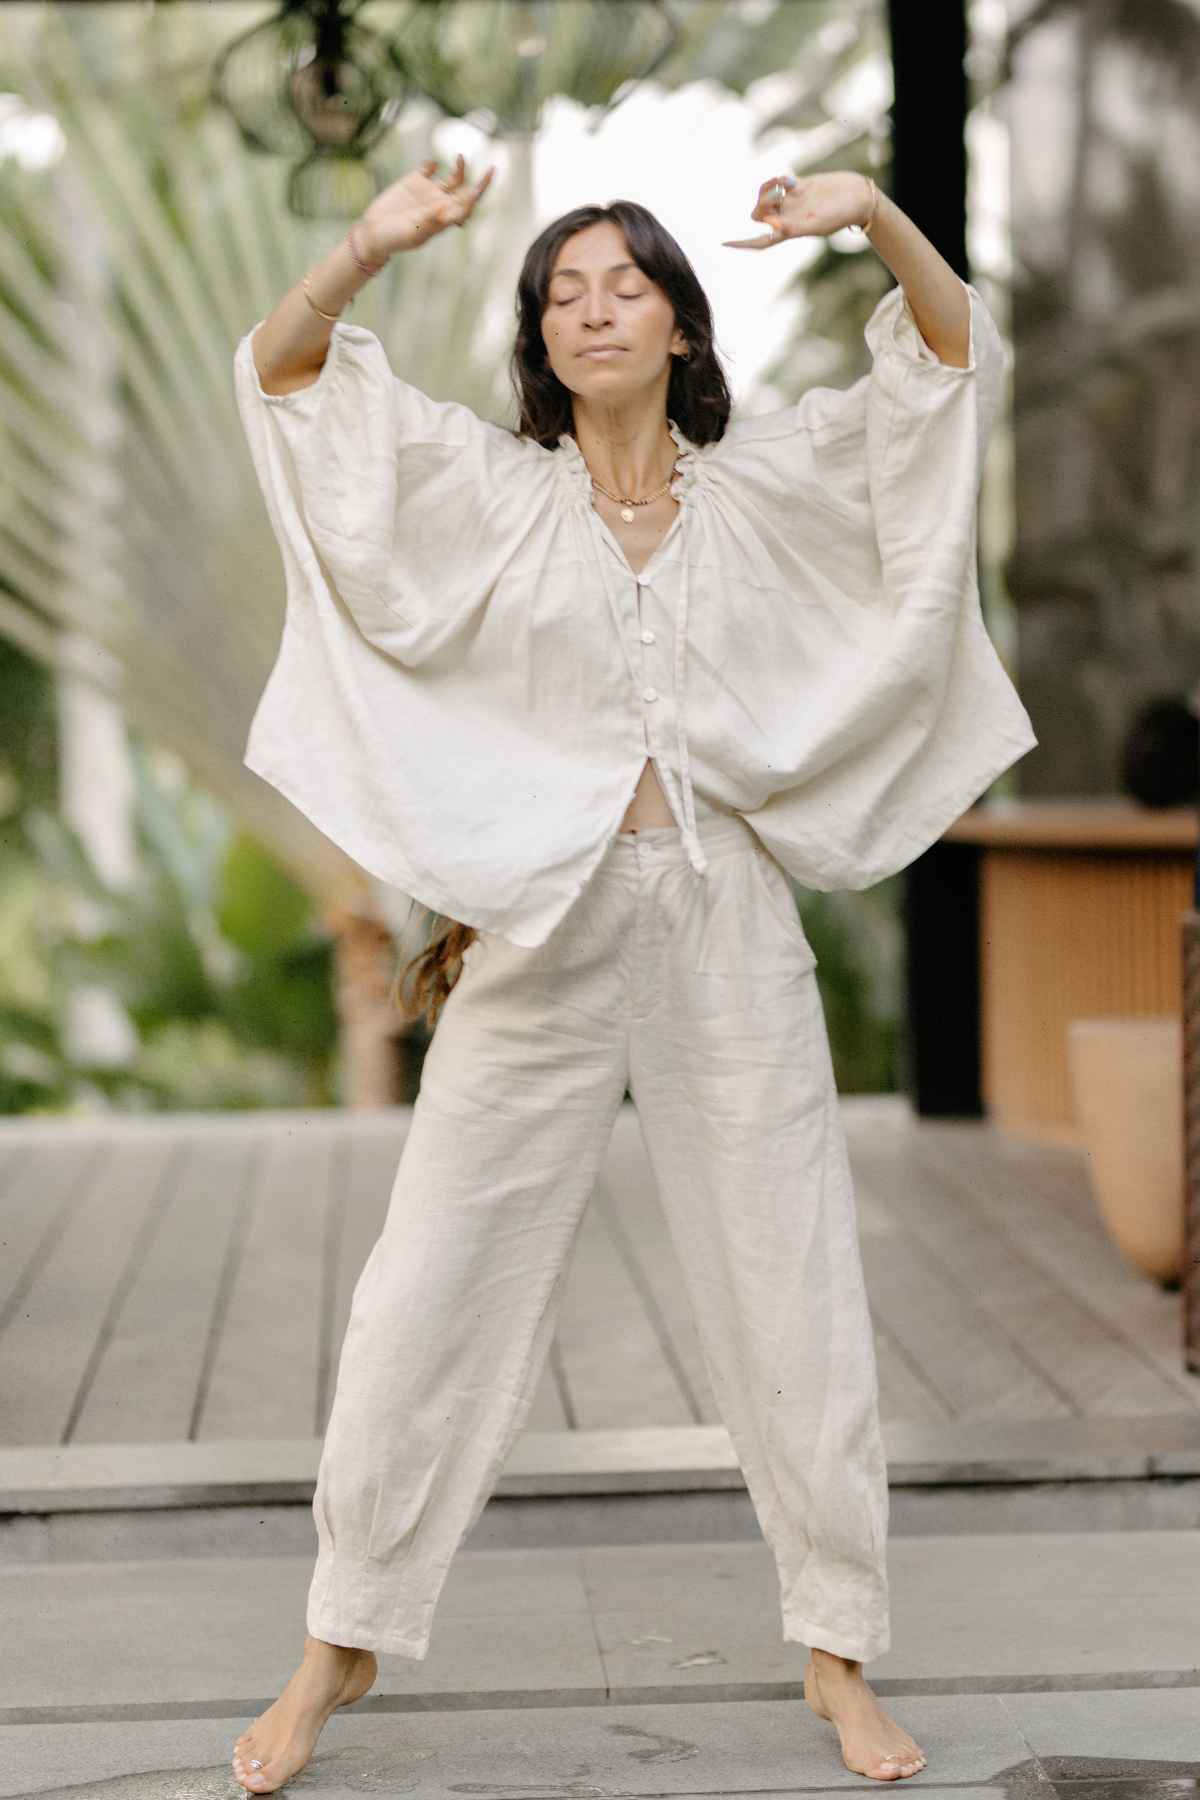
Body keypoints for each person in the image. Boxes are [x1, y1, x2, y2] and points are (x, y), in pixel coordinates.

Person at [229, 153, 1037, 1794]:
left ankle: (837, 1653)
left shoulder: (768, 483)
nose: (593, 310)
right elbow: (291, 378)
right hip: (539, 931)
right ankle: (339, 1642)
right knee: (425, 1291)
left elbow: (947, 365)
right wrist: (375, 243)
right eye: (563, 292)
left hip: (725, 919)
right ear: (542, 337)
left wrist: (875, 215)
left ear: (676, 320)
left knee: (790, 1278)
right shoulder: (491, 489)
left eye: (625, 285)